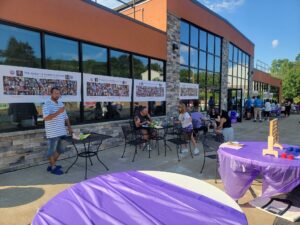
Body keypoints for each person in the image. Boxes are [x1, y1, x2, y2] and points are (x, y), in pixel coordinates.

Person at [43, 87, 73, 175]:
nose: (57, 95)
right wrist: (58, 112)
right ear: (51, 94)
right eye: (55, 93)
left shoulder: (61, 103)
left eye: (58, 93)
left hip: (62, 131)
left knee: (60, 149)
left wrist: (69, 128)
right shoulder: (46, 104)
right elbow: (46, 118)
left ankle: (52, 164)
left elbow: (66, 117)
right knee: (51, 151)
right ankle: (53, 167)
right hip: (53, 132)